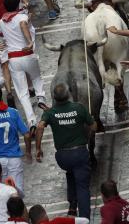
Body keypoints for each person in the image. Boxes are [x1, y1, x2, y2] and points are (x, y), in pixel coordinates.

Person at [35, 82, 94, 220]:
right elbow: (94, 126)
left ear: (54, 98)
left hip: (63, 157)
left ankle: (72, 205)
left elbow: (39, 127)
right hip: (79, 153)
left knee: (71, 172)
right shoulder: (79, 108)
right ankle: (85, 219)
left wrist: (38, 148)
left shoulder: (50, 112)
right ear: (68, 95)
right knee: (83, 187)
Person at [0, 0, 46, 127]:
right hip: (27, 54)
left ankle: (31, 121)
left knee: (23, 93)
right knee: (36, 77)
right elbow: (23, 25)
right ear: (17, 4)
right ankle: (41, 97)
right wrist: (29, 41)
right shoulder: (22, 17)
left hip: (14, 59)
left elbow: (19, 23)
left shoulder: (1, 22)